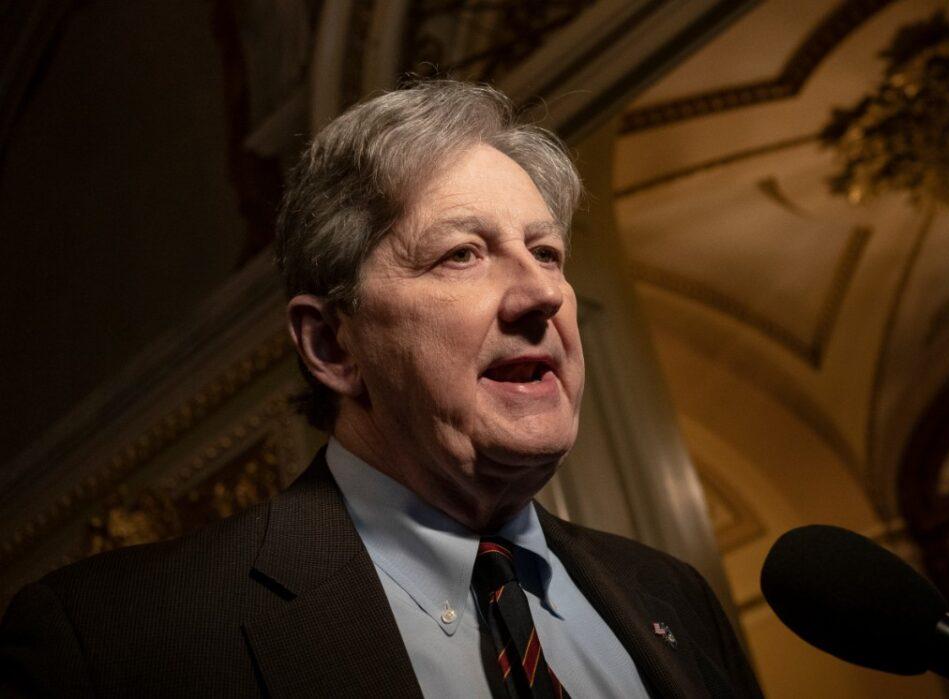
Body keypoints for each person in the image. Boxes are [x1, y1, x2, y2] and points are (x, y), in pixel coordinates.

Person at [0, 81, 762, 698]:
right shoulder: (114, 641)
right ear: (334, 345)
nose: (542, 296)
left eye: (546, 252)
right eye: (463, 255)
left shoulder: (674, 600)